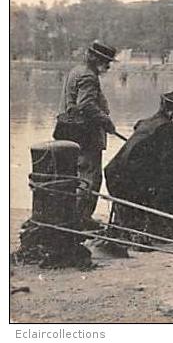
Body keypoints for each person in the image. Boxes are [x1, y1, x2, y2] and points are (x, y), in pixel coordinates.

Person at [104, 89, 173, 245]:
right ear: (170, 110)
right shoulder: (169, 129)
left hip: (115, 176)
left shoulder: (146, 122)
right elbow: (170, 166)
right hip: (132, 182)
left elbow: (158, 158)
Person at [58, 40, 118, 228]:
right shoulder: (89, 76)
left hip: (69, 131)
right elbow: (86, 105)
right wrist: (106, 121)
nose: (107, 65)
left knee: (76, 176)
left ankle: (75, 216)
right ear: (93, 57)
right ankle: (82, 219)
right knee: (90, 177)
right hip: (84, 134)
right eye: (104, 60)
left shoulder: (77, 70)